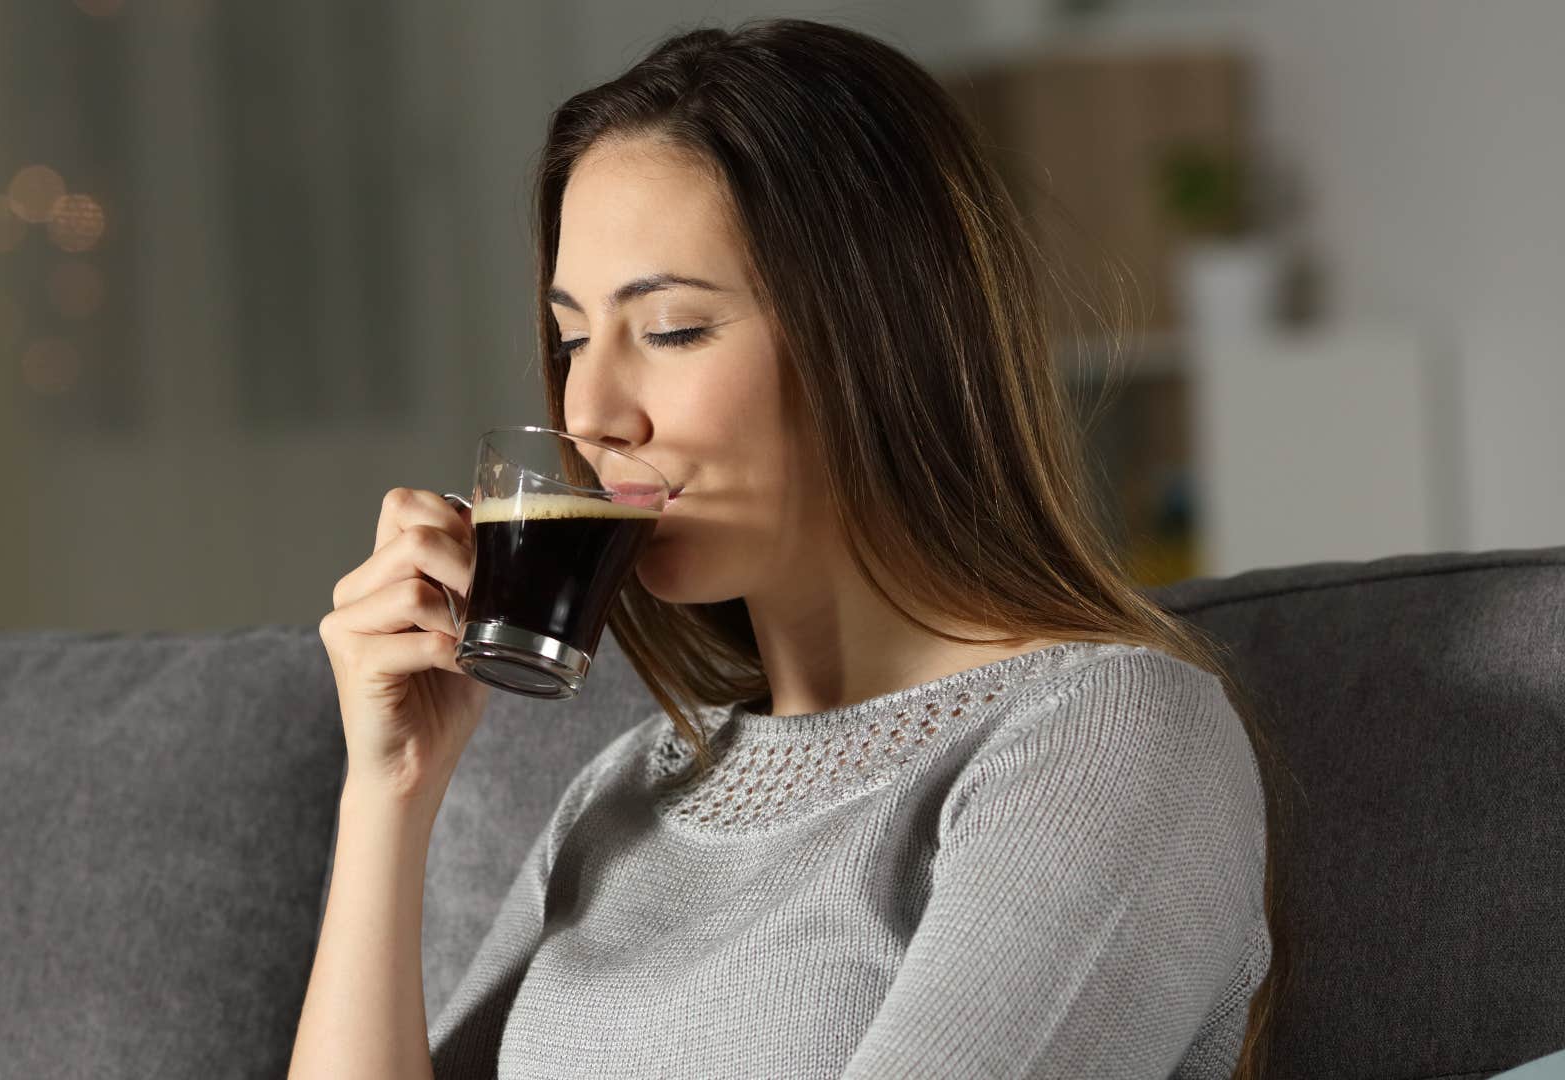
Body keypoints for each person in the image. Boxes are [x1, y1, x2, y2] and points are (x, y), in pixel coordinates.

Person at [291, 16, 1288, 1080]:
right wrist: (386, 798)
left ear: (875, 336)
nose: (591, 410)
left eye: (671, 328)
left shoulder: (1105, 736)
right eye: (573, 339)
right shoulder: (630, 790)